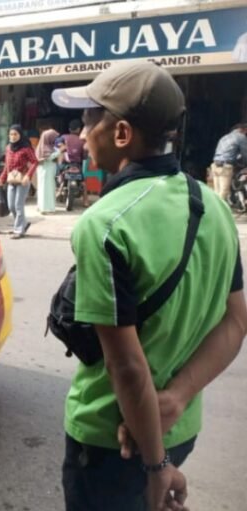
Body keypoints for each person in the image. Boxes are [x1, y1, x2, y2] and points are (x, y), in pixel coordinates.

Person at [51, 60, 246, 511]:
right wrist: (176, 398)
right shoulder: (213, 206)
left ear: (121, 134)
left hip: (111, 439)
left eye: (88, 118)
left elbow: (129, 368)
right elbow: (237, 322)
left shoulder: (104, 223)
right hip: (180, 425)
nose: (81, 131)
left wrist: (156, 468)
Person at [0, 124, 38, 239]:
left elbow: (35, 162)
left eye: (15, 134)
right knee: (11, 206)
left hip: (23, 180)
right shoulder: (8, 148)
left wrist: (28, 176)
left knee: (18, 205)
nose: (13, 136)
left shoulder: (26, 148)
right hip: (11, 180)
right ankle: (22, 224)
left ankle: (19, 230)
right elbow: (7, 165)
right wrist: (2, 178)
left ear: (20, 135)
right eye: (11, 134)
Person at [209, 123, 247, 201]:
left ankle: (216, 209)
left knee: (217, 192)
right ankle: (219, 212)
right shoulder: (241, 137)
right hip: (225, 167)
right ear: (244, 129)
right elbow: (245, 153)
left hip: (215, 165)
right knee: (224, 192)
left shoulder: (224, 137)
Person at [62, 118, 90, 207]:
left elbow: (57, 147)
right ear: (79, 129)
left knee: (60, 176)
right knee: (83, 183)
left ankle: (59, 191)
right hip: (77, 164)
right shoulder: (82, 141)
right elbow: (85, 155)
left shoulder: (64, 137)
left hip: (66, 164)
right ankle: (85, 201)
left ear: (69, 129)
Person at [35, 128, 59, 214]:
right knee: (46, 189)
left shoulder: (48, 146)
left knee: (46, 188)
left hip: (47, 170)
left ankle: (43, 206)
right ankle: (46, 208)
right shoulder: (44, 147)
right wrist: (59, 152)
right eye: (53, 138)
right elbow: (48, 157)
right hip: (46, 170)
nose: (55, 140)